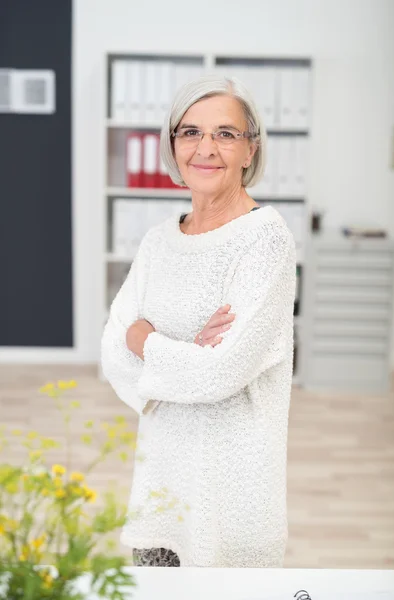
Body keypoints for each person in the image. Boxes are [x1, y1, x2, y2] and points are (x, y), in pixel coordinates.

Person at [101, 74, 297, 568]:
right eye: (190, 132)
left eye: (225, 134)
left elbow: (221, 372)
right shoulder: (157, 241)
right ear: (172, 145)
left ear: (250, 149)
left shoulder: (265, 241)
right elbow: (112, 352)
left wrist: (146, 339)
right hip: (162, 488)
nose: (205, 148)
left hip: (231, 500)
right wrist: (189, 346)